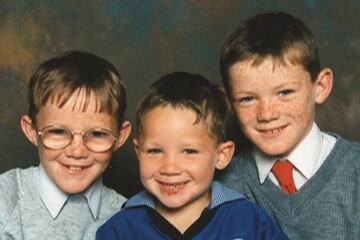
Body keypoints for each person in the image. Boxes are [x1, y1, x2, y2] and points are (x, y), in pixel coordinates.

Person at [217, 11, 360, 239]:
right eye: (248, 99)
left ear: (320, 87)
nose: (266, 114)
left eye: (285, 93)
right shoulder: (221, 187)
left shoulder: (355, 172)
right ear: (229, 103)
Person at [96, 72, 288, 239]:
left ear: (221, 155)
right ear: (138, 152)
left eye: (189, 151)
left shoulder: (248, 220)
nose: (169, 168)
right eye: (155, 151)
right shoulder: (119, 230)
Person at [0, 51, 131, 239]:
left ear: (120, 136)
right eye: (58, 132)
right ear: (31, 130)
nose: (77, 151)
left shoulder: (128, 218)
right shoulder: (5, 200)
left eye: (97, 134)